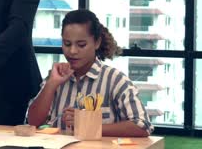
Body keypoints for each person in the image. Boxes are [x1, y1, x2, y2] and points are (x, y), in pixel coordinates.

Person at [27, 9, 153, 137]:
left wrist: (88, 124)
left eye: (81, 45)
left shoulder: (115, 80)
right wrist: (51, 84)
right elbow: (32, 122)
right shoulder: (56, 76)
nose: (72, 51)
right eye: (67, 44)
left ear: (97, 42)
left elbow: (142, 126)